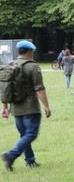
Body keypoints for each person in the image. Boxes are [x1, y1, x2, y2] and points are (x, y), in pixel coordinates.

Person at [1, 41, 51, 171]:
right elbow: (39, 88)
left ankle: (30, 161)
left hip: (15, 107)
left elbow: (5, 88)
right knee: (31, 134)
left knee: (24, 135)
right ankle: (10, 155)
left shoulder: (11, 65)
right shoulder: (32, 66)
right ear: (30, 51)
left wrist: (5, 106)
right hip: (30, 107)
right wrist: (46, 106)